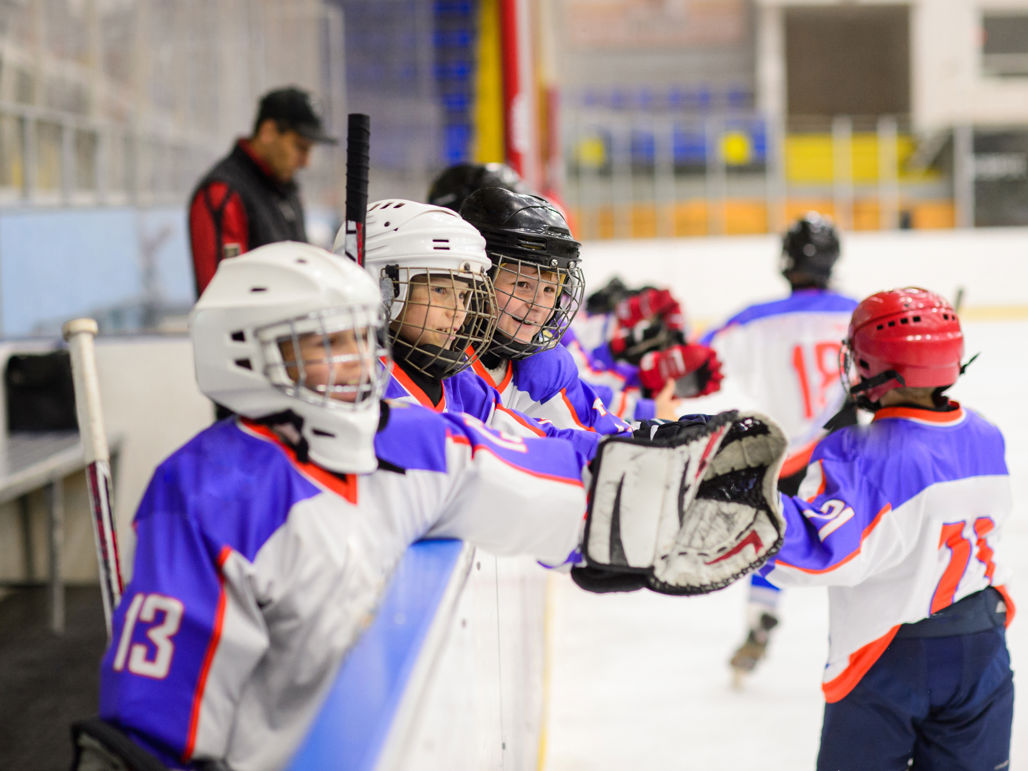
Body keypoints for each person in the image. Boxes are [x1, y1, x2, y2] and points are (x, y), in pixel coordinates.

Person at [74, 241, 783, 770]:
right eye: (327, 346)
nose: (357, 364)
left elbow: (532, 471)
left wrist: (648, 496)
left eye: (360, 339)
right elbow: (157, 723)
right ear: (247, 356)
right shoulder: (204, 491)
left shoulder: (407, 436)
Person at [759, 287, 1014, 770]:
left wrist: (756, 512)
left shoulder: (859, 453)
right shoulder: (987, 432)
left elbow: (822, 554)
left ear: (875, 366)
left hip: (891, 652)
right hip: (983, 645)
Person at [698, 212, 858, 679]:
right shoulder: (862, 311)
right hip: (848, 449)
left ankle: (761, 614)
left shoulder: (752, 319)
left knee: (770, 531)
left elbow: (697, 364)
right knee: (867, 536)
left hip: (788, 453)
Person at [188, 86, 337, 296]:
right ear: (268, 132)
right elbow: (222, 298)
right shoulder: (223, 193)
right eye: (300, 147)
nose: (306, 162)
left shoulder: (286, 189)